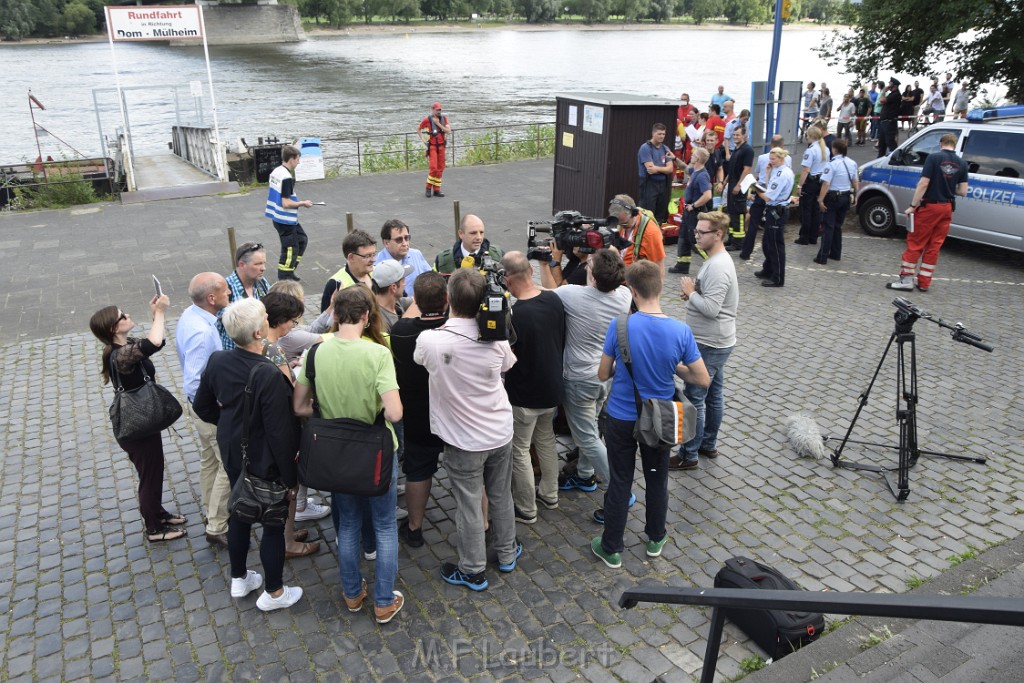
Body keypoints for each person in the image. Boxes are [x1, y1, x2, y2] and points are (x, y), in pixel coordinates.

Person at [292, 286, 404, 623]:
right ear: (368, 316)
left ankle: (353, 593)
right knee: (384, 526)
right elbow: (395, 413)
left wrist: (327, 410)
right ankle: (384, 600)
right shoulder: (377, 354)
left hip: (334, 451)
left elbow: (299, 406)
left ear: (335, 315)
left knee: (349, 523)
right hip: (375, 450)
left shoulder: (315, 353)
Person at [591, 261, 709, 569]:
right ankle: (656, 538)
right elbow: (702, 378)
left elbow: (603, 374)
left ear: (632, 290)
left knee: (620, 481)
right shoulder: (680, 331)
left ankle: (611, 547)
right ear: (659, 288)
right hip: (660, 420)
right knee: (658, 480)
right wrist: (674, 367)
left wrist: (622, 364)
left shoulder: (619, 326)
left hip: (620, 416)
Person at [193, 299, 304, 612]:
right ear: (259, 332)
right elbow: (280, 432)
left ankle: (239, 578)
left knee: (239, 509)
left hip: (233, 447)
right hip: (264, 453)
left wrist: (228, 421)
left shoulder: (217, 360)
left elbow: (202, 406)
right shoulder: (268, 373)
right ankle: (274, 592)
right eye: (266, 318)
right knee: (272, 519)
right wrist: (291, 477)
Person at [414, 268, 521, 591]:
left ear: (448, 300)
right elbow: (508, 365)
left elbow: (420, 360)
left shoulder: (431, 340)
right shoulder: (495, 338)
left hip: (462, 439)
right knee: (501, 494)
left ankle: (473, 568)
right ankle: (506, 552)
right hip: (499, 430)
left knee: (469, 503)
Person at [90, 295, 186, 544]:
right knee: (149, 475)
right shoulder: (119, 355)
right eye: (123, 315)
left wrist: (156, 314)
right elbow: (153, 342)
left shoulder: (126, 345)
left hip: (143, 421)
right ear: (113, 327)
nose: (128, 316)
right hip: (137, 427)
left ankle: (159, 513)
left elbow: (156, 341)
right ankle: (153, 529)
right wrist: (161, 312)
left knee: (154, 469)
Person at [554, 249, 632, 496]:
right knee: (592, 428)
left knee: (586, 436)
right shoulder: (624, 295)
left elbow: (545, 293)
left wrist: (551, 262)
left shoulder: (572, 296)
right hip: (605, 376)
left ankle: (619, 489)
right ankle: (585, 476)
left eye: (588, 267)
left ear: (594, 278)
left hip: (579, 379)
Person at [669, 212, 738, 471]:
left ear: (718, 234)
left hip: (710, 343)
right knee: (714, 394)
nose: (695, 235)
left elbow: (711, 309)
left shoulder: (719, 266)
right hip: (715, 340)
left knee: (695, 396)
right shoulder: (714, 260)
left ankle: (689, 454)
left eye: (701, 232)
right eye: (696, 231)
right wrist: (696, 293)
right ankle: (708, 443)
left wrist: (691, 293)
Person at [501, 252, 566, 525]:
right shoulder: (553, 300)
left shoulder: (514, 315)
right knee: (547, 440)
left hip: (524, 395)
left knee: (520, 449)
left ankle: (527, 507)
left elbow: (506, 360)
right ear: (530, 271)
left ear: (506, 280)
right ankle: (550, 494)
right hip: (552, 388)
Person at [391, 272, 448, 548]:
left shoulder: (401, 332)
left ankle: (414, 528)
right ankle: (482, 524)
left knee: (417, 472)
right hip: (453, 415)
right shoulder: (454, 329)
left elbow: (408, 318)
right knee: (472, 474)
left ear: (415, 299)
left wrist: (420, 299)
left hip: (417, 416)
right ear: (448, 299)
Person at [175, 272, 232, 548]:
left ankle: (212, 510)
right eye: (224, 291)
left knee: (209, 459)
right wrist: (216, 406)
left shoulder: (191, 314)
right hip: (207, 408)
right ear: (211, 298)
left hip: (199, 407)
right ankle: (217, 525)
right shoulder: (202, 331)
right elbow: (194, 378)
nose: (229, 293)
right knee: (226, 464)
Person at [887, 133, 968, 293]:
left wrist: (912, 205)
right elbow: (963, 191)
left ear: (941, 143)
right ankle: (924, 282)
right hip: (947, 207)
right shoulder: (962, 163)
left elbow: (924, 183)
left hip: (930, 206)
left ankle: (906, 279)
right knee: (934, 245)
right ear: (955, 144)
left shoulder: (933, 158)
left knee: (916, 242)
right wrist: (948, 188)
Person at [265, 145, 314, 282]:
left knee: (302, 239)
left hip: (278, 216)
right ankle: (284, 276)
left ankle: (290, 269)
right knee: (290, 248)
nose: (299, 162)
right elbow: (286, 203)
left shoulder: (276, 171)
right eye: (298, 159)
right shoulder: (286, 177)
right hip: (285, 218)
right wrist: (302, 203)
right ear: (291, 159)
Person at [739, 134, 790, 262]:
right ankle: (767, 256)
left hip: (764, 190)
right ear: (782, 145)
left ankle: (746, 251)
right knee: (769, 226)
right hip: (775, 191)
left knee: (754, 223)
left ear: (771, 145)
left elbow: (757, 172)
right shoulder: (787, 159)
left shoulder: (762, 157)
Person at [753, 148, 796, 288]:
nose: (770, 161)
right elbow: (769, 186)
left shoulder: (782, 174)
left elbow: (768, 196)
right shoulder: (778, 171)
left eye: (773, 159)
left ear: (781, 158)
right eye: (770, 158)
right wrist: (767, 173)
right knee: (767, 242)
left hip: (777, 211)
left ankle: (777, 277)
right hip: (774, 210)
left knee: (776, 245)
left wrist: (754, 187)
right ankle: (768, 269)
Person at [669, 146, 713, 275]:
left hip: (695, 213)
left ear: (698, 159)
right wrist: (674, 158)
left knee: (695, 240)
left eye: (693, 156)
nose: (691, 157)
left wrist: (693, 205)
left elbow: (708, 195)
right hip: (689, 212)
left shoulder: (702, 176)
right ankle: (682, 265)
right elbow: (684, 168)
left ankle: (712, 263)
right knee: (683, 236)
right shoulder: (695, 171)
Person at [815, 139, 859, 265]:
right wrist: (856, 195)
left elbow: (826, 183)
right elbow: (855, 181)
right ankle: (835, 253)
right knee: (838, 226)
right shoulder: (852, 163)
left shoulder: (832, 164)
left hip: (833, 197)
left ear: (834, 149)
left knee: (828, 227)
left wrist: (820, 199)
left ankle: (822, 256)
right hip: (845, 196)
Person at [221, 242, 271, 350]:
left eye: (264, 263)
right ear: (242, 265)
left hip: (258, 351)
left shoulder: (263, 283)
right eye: (257, 264)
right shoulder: (226, 290)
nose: (263, 268)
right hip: (235, 356)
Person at [374, 219, 432, 297]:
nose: (405, 243)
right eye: (399, 239)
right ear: (386, 243)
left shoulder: (416, 255)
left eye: (407, 238)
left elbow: (430, 279)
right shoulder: (377, 266)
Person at [320, 229, 375, 312]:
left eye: (374, 254)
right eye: (367, 256)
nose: (373, 259)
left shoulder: (378, 273)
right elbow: (325, 320)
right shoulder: (335, 284)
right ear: (351, 257)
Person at [609, 194, 665, 273]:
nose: (621, 227)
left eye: (625, 223)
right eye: (618, 224)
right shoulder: (620, 223)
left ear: (634, 214)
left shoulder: (650, 233)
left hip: (636, 281)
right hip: (619, 277)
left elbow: (659, 267)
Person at [434, 214, 503, 275]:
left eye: (481, 232)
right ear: (461, 234)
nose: (479, 237)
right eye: (473, 233)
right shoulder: (443, 260)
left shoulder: (497, 255)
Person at [796, 127, 830, 246]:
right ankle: (813, 236)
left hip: (811, 182)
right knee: (816, 210)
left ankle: (804, 237)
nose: (806, 137)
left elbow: (806, 170)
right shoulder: (825, 149)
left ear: (812, 136)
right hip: (820, 182)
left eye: (807, 135)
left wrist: (800, 185)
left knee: (806, 210)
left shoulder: (810, 150)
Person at [637, 123, 675, 225]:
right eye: (659, 134)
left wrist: (657, 168)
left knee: (661, 214)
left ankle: (658, 236)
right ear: (653, 134)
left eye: (663, 134)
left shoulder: (665, 148)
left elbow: (670, 169)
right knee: (648, 214)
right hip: (649, 184)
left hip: (663, 185)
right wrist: (663, 169)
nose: (662, 136)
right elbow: (650, 169)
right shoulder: (646, 148)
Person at [724, 124, 754, 249]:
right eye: (734, 135)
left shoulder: (747, 150)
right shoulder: (736, 149)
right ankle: (731, 238)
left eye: (738, 135)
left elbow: (747, 169)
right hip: (732, 184)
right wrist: (724, 182)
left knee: (738, 214)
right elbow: (731, 170)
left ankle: (738, 242)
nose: (735, 137)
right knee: (731, 213)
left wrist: (738, 185)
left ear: (745, 136)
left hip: (738, 186)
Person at [418, 102, 451, 197]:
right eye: (437, 110)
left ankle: (437, 189)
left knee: (441, 168)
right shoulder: (427, 120)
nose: (439, 111)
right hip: (432, 147)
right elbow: (418, 129)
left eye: (440, 109)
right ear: (433, 110)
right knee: (434, 168)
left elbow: (448, 131)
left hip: (441, 147)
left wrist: (438, 124)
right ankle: (428, 188)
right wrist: (423, 140)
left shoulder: (444, 119)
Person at [371, 260, 412, 331]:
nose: (405, 284)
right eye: (403, 280)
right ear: (394, 287)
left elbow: (418, 299)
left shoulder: (396, 301)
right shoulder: (380, 322)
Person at [877, 77, 902, 158]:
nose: (888, 86)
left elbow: (882, 100)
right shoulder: (892, 94)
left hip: (889, 121)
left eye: (890, 84)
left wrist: (883, 91)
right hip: (885, 121)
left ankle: (896, 158)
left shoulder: (896, 94)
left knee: (890, 142)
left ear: (893, 85)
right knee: (882, 144)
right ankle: (880, 159)